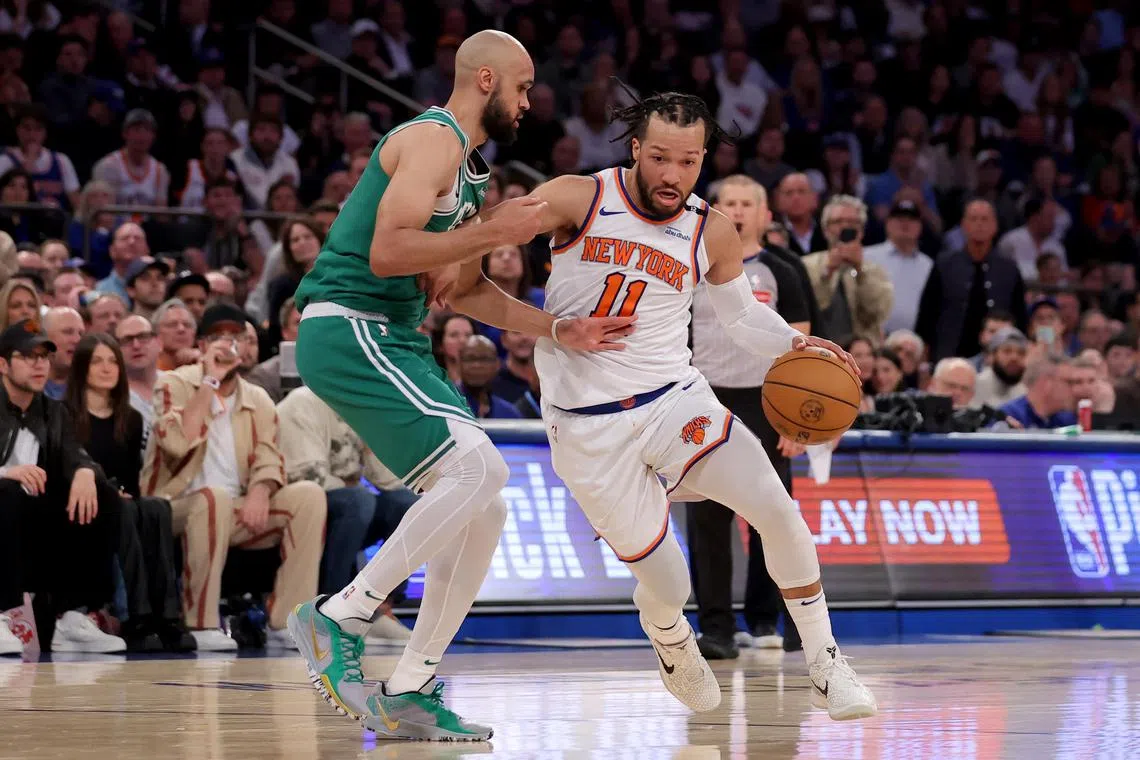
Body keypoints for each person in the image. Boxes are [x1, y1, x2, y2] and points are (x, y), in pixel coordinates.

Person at [460, 91, 876, 720]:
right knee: (668, 584)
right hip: (588, 426)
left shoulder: (711, 227)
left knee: (778, 510)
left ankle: (824, 661)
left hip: (675, 400)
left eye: (687, 161)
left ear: (702, 159)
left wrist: (797, 341)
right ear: (635, 150)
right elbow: (466, 272)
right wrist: (551, 327)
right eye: (659, 158)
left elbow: (740, 319)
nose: (672, 175)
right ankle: (670, 637)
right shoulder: (578, 198)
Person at [288, 30, 633, 740]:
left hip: (391, 336)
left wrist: (556, 329)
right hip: (349, 323)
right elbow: (387, 253)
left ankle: (411, 685)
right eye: (524, 87)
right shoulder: (431, 139)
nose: (530, 102)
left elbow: (464, 290)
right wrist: (490, 232)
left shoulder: (469, 173)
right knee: (481, 466)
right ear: (485, 79)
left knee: (486, 509)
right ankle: (340, 614)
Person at [141, 304, 327, 652]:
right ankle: (200, 622)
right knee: (214, 499)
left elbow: (270, 456)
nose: (228, 346)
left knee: (309, 495)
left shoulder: (257, 398)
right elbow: (176, 443)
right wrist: (209, 381)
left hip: (235, 509)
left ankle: (285, 621)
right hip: (174, 508)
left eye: (236, 338)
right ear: (201, 346)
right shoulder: (172, 384)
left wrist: (260, 490)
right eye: (218, 339)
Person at [688, 174, 812, 660]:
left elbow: (800, 344)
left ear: (765, 214)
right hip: (704, 396)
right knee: (707, 518)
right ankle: (716, 627)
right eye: (729, 203)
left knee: (771, 515)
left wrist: (796, 420)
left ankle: (765, 618)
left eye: (747, 203)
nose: (737, 211)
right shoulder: (691, 263)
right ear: (716, 210)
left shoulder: (785, 269)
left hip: (767, 403)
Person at [0, 318, 127, 653]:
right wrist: (4, 473)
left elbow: (76, 455)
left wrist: (86, 471)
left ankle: (72, 616)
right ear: (2, 364)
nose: (39, 364)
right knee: (8, 492)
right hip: (4, 507)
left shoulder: (54, 412)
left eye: (44, 357)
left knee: (103, 496)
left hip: (32, 522)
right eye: (28, 357)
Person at [64, 334, 194, 653]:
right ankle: (135, 616)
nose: (107, 368)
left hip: (122, 502)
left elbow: (132, 479)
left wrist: (123, 494)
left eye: (112, 361)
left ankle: (168, 617)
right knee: (124, 510)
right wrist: (110, 492)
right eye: (97, 361)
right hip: (80, 507)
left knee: (156, 507)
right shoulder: (62, 414)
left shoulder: (131, 419)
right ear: (81, 368)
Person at [1000, 355, 1077, 429]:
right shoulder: (1008, 418)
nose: (1075, 389)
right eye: (1069, 382)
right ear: (1046, 384)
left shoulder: (1066, 420)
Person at [457, 335, 521, 419]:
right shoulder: (446, 407)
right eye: (470, 359)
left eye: (484, 359)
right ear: (459, 364)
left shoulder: (510, 414)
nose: (477, 365)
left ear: (497, 365)